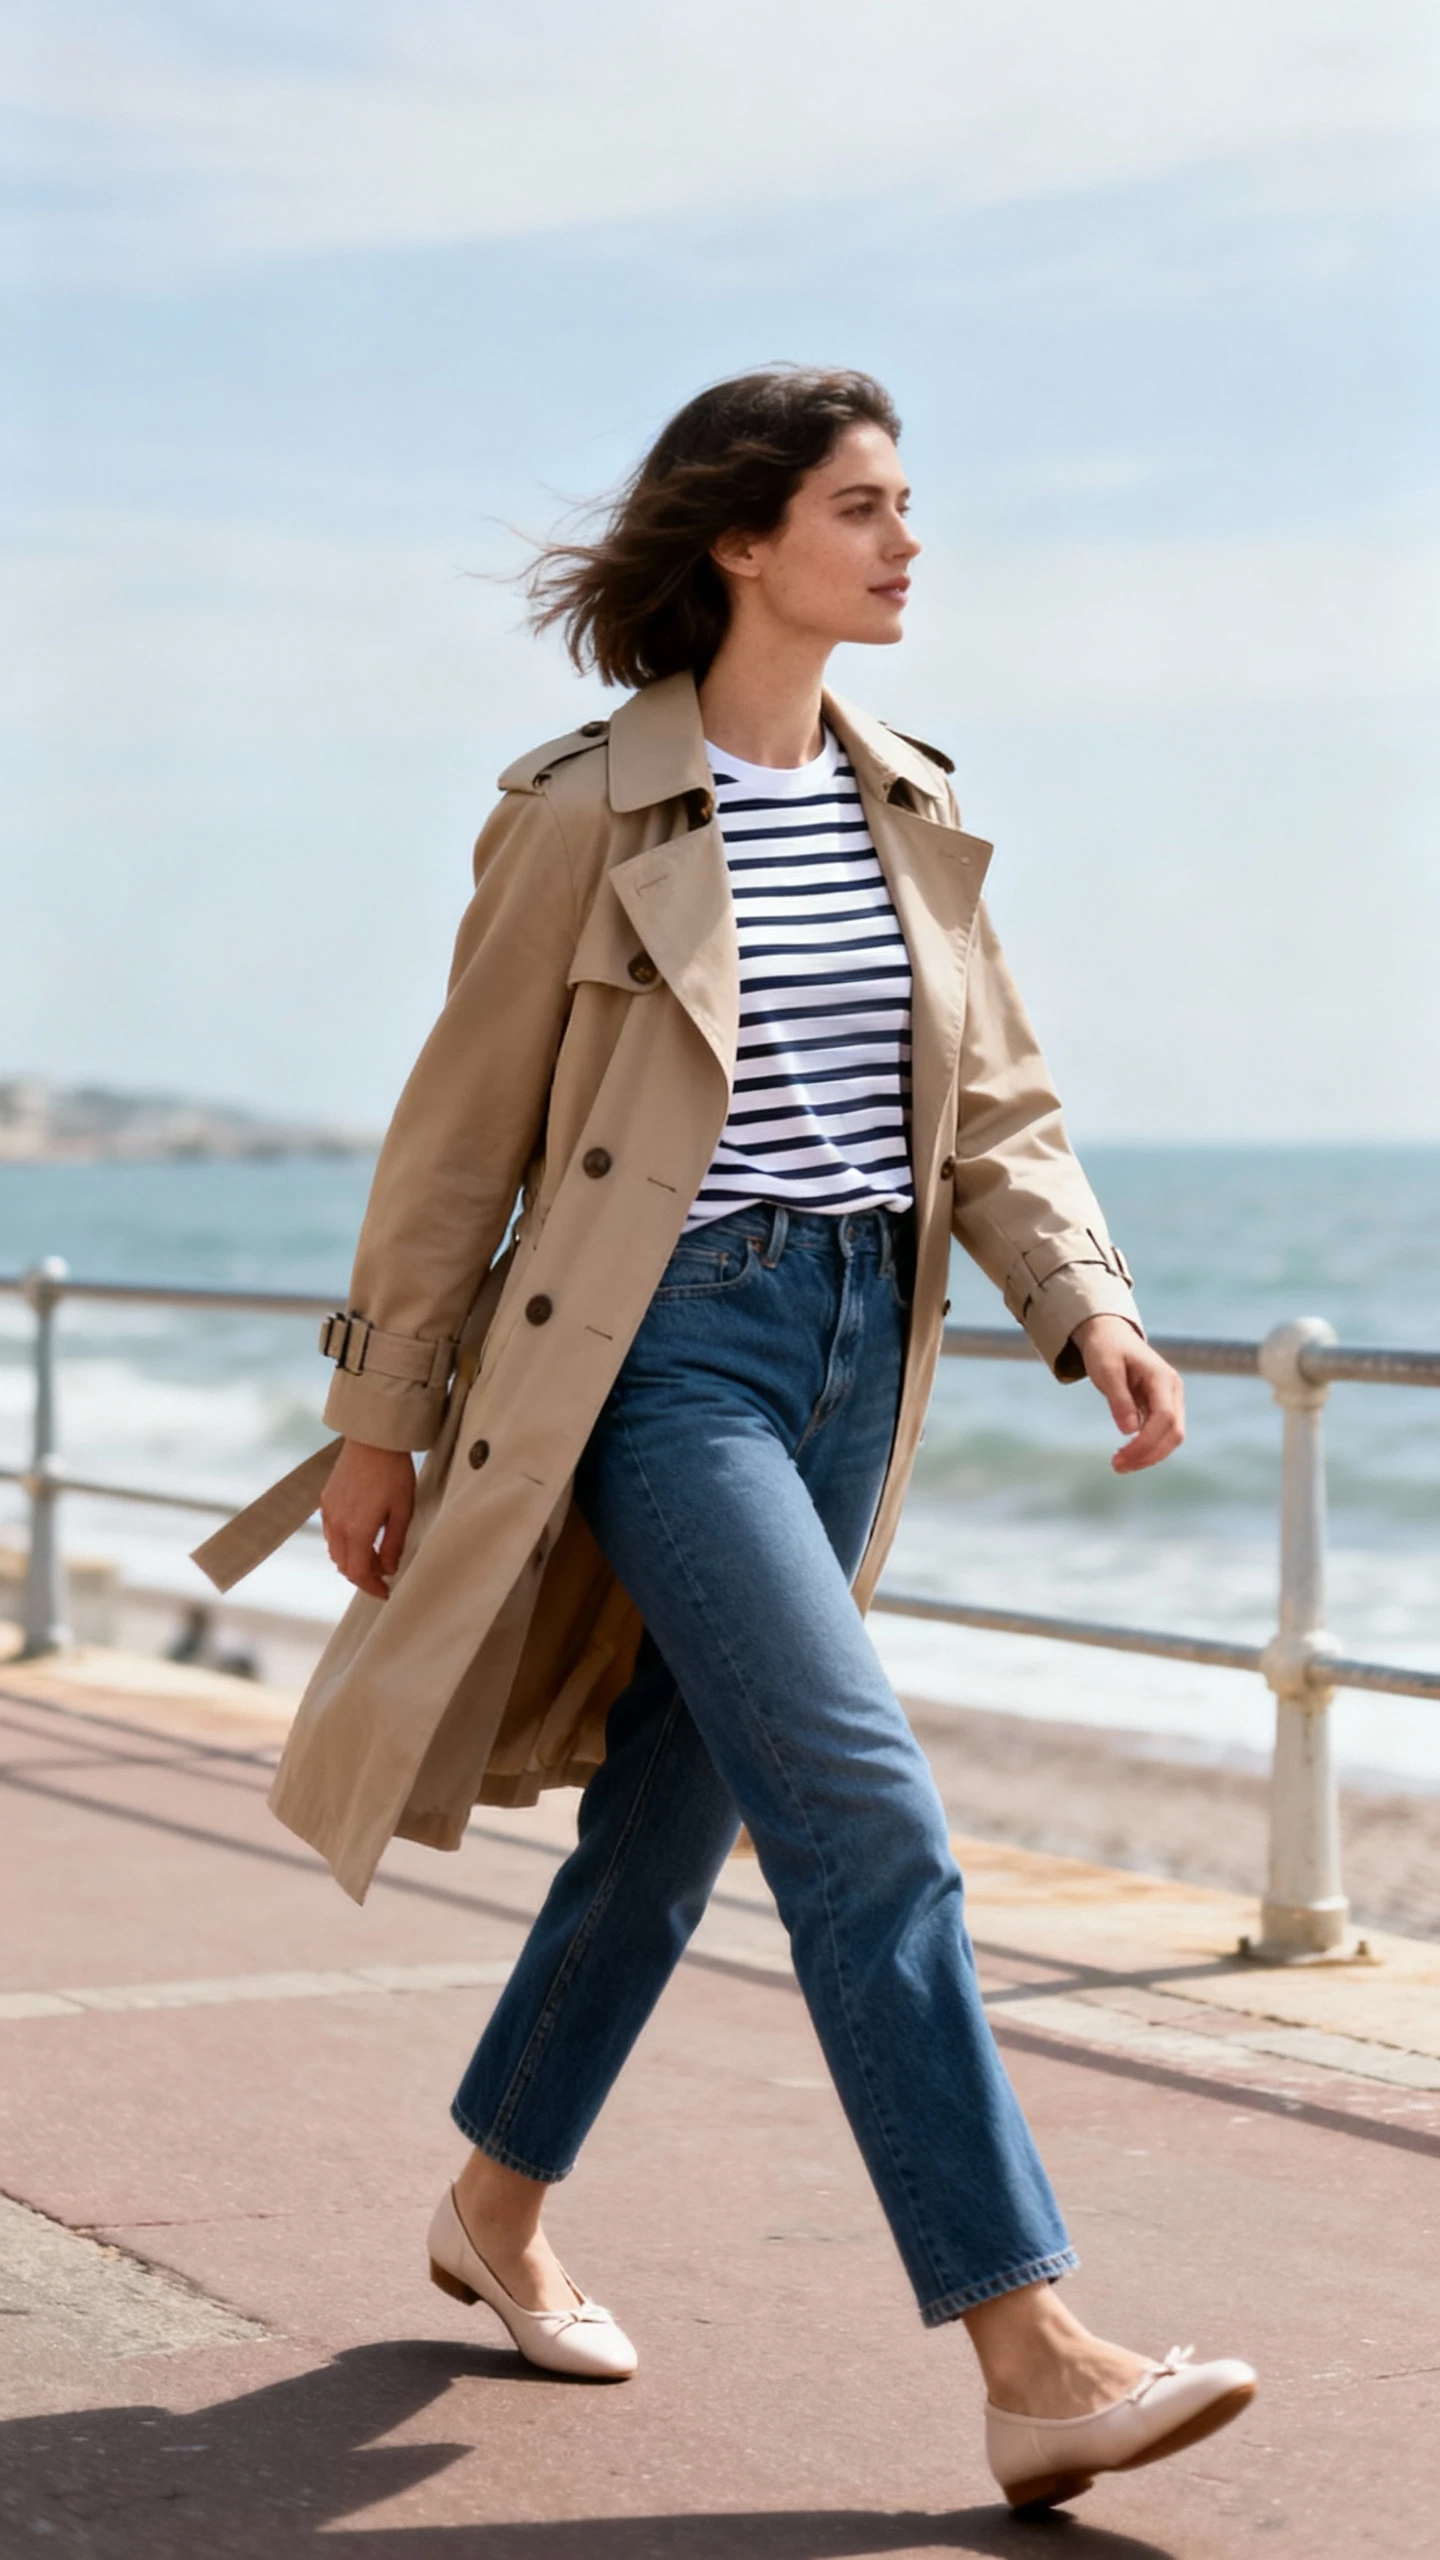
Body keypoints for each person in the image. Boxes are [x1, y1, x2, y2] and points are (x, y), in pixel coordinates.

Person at [217, 367, 1256, 2512]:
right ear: (742, 540)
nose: (906, 541)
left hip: (863, 1351)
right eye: (862, 507)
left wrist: (1089, 1302)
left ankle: (491, 2207)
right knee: (869, 1816)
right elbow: (454, 1143)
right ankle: (1034, 2349)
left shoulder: (909, 799)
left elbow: (996, 1104)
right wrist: (378, 1422)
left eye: (906, 504)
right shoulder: (583, 812)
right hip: (663, 1352)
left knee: (668, 1829)